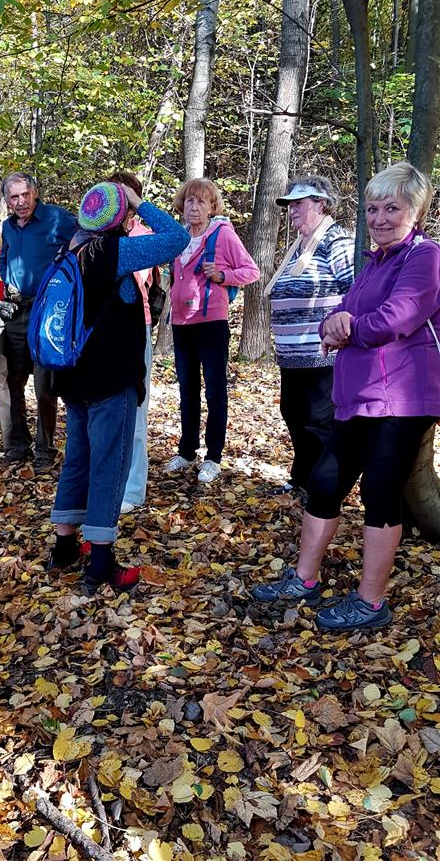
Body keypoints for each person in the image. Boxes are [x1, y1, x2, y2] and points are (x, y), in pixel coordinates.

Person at [252, 161, 440, 631]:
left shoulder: (425, 256)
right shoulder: (374, 262)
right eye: (373, 208)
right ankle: (304, 578)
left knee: (380, 494)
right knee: (325, 482)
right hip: (357, 397)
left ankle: (371, 602)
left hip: (401, 398)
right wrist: (338, 324)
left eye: (391, 208)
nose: (379, 218)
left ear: (415, 211)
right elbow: (335, 317)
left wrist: (349, 327)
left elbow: (397, 317)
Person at [49, 181, 189, 593]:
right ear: (119, 216)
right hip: (110, 377)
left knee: (77, 458)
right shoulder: (115, 253)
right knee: (109, 463)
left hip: (73, 377)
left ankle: (64, 548)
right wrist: (140, 202)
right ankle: (101, 563)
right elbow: (178, 238)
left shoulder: (68, 250)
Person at [165, 178, 259, 484]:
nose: (194, 207)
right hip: (181, 323)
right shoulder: (178, 237)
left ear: (212, 207)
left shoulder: (223, 236)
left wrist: (221, 275)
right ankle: (187, 450)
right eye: (190, 201)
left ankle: (213, 457)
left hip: (211, 323)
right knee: (187, 391)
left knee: (215, 391)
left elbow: (251, 271)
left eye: (201, 202)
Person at [267, 175, 354, 495]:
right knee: (293, 414)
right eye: (289, 205)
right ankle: (301, 479)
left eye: (299, 204)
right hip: (292, 357)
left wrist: (338, 331)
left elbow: (354, 293)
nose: (291, 210)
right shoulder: (297, 246)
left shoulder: (337, 241)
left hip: (322, 355)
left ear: (321, 204)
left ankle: (323, 490)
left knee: (319, 424)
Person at [0, 172, 76, 472]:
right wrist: (7, 281)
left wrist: (64, 283)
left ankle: (45, 448)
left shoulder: (58, 219)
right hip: (16, 310)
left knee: (45, 384)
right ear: (7, 201)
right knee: (12, 379)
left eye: (25, 195)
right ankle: (18, 444)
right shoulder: (7, 227)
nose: (20, 202)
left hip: (48, 311)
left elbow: (82, 243)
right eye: (14, 197)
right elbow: (4, 258)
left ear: (35, 193)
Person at [108, 171, 153, 515]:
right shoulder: (99, 234)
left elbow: (173, 237)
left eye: (127, 199)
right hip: (102, 334)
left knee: (135, 410)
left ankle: (134, 489)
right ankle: (109, 481)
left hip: (137, 329)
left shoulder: (142, 235)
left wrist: (139, 207)